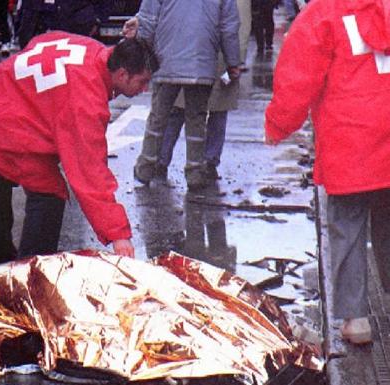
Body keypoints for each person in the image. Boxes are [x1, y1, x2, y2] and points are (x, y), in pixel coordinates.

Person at [0, 33, 159, 268]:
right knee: (48, 194)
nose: (144, 90)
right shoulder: (85, 99)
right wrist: (118, 234)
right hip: (10, 118)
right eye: (142, 82)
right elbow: (89, 172)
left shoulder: (93, 49)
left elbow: (38, 41)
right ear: (122, 74)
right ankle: (29, 272)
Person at [265, 0, 390, 345]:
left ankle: (356, 319)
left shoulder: (324, 13)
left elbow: (298, 77)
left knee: (347, 226)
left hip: (349, 139)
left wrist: (278, 125)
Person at [123, 0, 240, 191]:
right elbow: (229, 26)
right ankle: (195, 172)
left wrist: (145, 50)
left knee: (158, 117)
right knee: (197, 119)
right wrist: (232, 61)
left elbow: (148, 19)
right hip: (202, 61)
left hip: (165, 59)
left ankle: (145, 168)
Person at [156, 0, 252, 181]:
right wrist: (237, 60)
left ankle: (162, 160)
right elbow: (240, 26)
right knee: (213, 110)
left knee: (181, 108)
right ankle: (206, 162)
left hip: (194, 52)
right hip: (215, 55)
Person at [16, 0, 112, 48]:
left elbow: (105, 4)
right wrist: (25, 42)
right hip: (45, 37)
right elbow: (28, 11)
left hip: (80, 31)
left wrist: (97, 20)